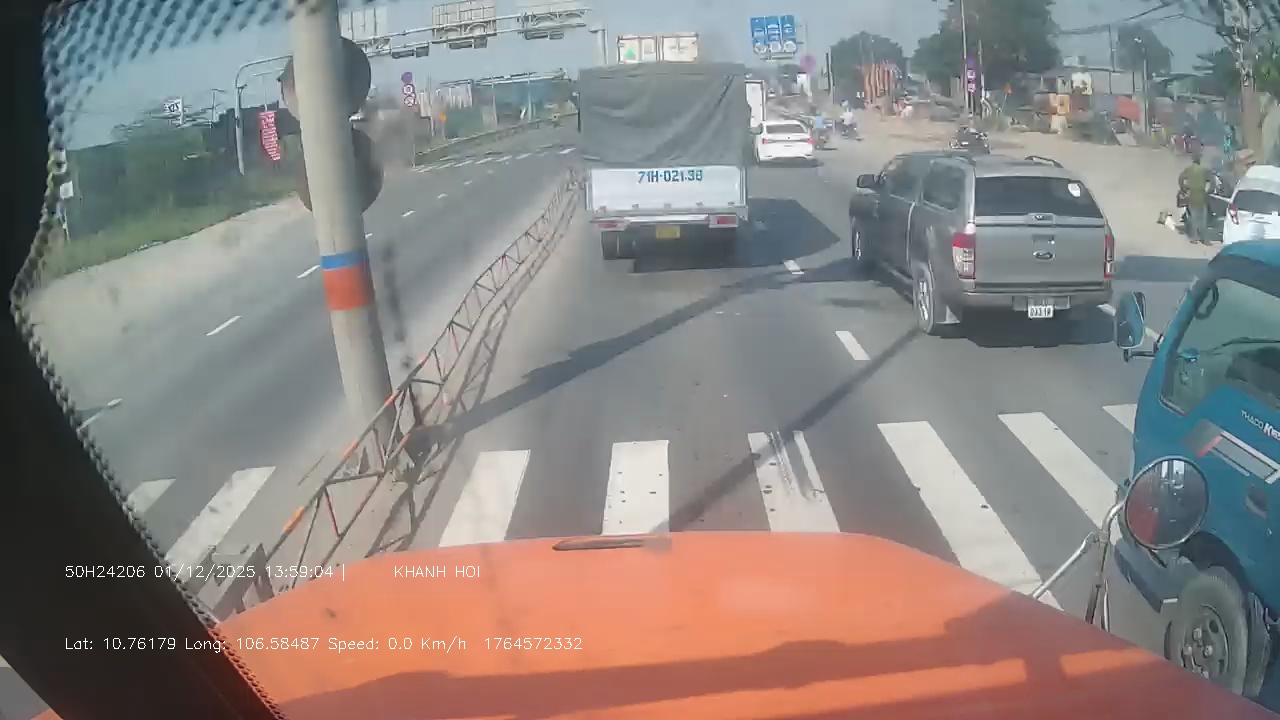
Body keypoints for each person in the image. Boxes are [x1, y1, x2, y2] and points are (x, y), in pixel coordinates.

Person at [1178, 153, 1212, 245]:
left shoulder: (1188, 170)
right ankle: (1205, 240)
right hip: (1202, 197)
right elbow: (1212, 182)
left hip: (1192, 197)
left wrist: (1184, 189)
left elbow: (1180, 178)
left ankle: (1194, 238)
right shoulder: (1204, 170)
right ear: (1199, 161)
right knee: (1203, 220)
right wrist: (1209, 192)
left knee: (1193, 218)